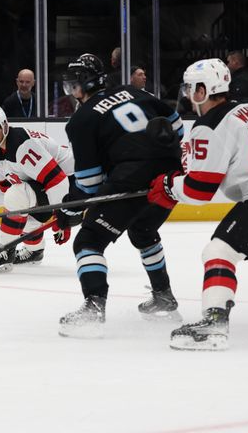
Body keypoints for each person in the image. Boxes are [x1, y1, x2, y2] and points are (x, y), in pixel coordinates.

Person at [147, 59, 248, 351]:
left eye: (191, 88)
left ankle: (214, 322)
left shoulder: (210, 124)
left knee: (218, 251)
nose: (187, 94)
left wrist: (170, 186)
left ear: (204, 89)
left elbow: (200, 190)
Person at [55, 53, 185, 338]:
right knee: (143, 229)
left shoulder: (81, 120)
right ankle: (163, 296)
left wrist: (70, 210)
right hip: (170, 177)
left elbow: (89, 184)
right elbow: (177, 127)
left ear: (84, 85)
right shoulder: (135, 91)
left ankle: (93, 307)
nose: (70, 91)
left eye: (72, 85)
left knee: (89, 240)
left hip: (132, 179)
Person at [0, 105, 74, 273]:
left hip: (72, 179)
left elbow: (57, 180)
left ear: (4, 125)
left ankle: (5, 250)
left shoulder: (21, 143)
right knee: (20, 209)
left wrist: (62, 217)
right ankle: (34, 251)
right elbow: (5, 185)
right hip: (46, 185)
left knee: (16, 195)